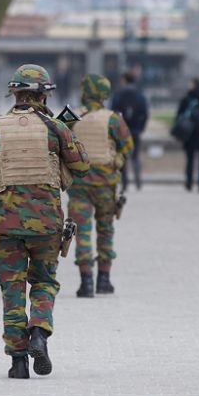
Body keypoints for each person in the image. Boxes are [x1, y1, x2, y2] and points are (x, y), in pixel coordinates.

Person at [0, 64, 89, 379]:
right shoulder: (56, 127)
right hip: (47, 224)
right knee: (45, 282)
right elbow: (82, 165)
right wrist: (68, 131)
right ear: (44, 94)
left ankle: (18, 362)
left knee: (12, 287)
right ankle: (39, 333)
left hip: (6, 223)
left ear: (15, 93)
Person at [67, 74, 133, 297]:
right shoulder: (114, 119)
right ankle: (104, 280)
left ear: (84, 92)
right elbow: (127, 145)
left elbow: (57, 143)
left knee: (82, 232)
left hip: (79, 185)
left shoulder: (71, 115)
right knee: (105, 230)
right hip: (106, 185)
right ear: (105, 94)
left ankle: (86, 282)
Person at [110, 71, 149, 191]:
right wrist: (141, 127)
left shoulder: (119, 95)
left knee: (122, 155)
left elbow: (112, 112)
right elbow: (145, 112)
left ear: (124, 80)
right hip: (136, 129)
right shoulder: (140, 95)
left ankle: (125, 181)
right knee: (136, 155)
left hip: (122, 129)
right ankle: (138, 179)